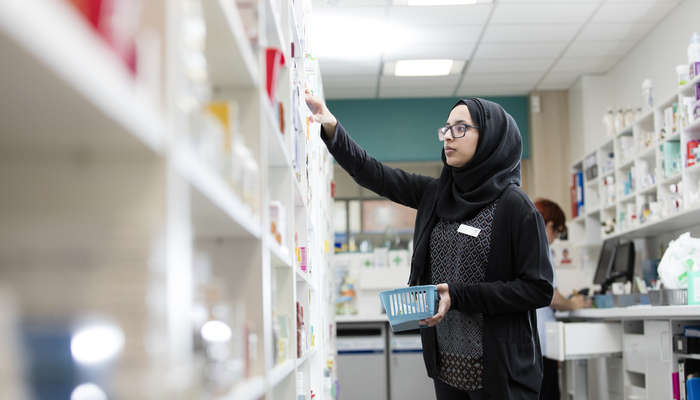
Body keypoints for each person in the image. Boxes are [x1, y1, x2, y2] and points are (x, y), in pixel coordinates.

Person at [306, 88, 554, 399]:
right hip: (447, 365)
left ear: (491, 137)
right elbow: (375, 174)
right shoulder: (437, 195)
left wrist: (459, 295)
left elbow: (539, 288)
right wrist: (330, 125)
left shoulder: (516, 207)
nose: (448, 136)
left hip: (498, 369)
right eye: (446, 128)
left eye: (460, 128)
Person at [533, 198, 592, 400]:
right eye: (557, 231)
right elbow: (550, 297)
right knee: (548, 393)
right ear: (549, 225)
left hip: (524, 341)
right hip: (540, 341)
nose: (556, 238)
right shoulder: (541, 245)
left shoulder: (520, 242)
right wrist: (574, 303)